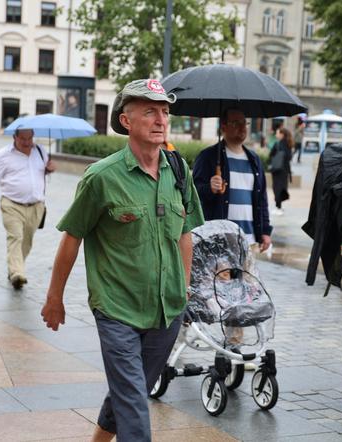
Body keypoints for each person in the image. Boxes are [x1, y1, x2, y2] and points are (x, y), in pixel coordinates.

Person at [40, 78, 204, 442]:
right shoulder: (101, 177)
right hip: (117, 310)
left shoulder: (179, 172)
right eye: (150, 111)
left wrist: (185, 287)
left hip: (167, 311)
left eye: (164, 111)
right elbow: (73, 236)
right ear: (126, 121)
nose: (161, 120)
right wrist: (54, 297)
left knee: (130, 391)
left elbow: (185, 233)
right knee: (133, 401)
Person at [192, 108, 272, 252]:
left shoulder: (254, 160)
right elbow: (192, 194)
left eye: (244, 123)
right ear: (223, 126)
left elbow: (261, 199)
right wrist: (209, 188)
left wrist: (265, 231)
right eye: (236, 123)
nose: (242, 127)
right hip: (218, 241)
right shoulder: (208, 157)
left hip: (249, 241)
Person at [0, 128, 55, 289]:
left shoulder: (40, 151)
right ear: (14, 137)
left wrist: (49, 168)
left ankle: (15, 268)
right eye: (22, 138)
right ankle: (17, 273)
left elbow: (42, 171)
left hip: (36, 205)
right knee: (15, 237)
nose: (27, 142)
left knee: (27, 241)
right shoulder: (4, 155)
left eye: (30, 138)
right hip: (12, 204)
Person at [269, 127, 293, 216]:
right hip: (285, 170)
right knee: (282, 188)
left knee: (276, 188)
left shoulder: (277, 144)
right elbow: (289, 157)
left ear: (282, 134)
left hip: (277, 170)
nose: (276, 135)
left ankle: (278, 207)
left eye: (277, 133)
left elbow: (270, 155)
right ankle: (279, 206)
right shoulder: (288, 144)